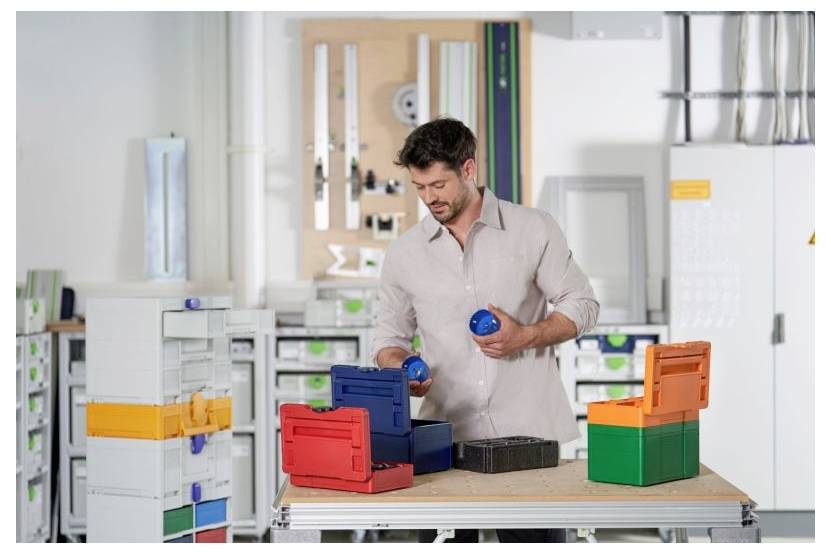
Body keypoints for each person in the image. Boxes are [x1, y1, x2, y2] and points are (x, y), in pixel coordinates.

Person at [370, 118, 599, 543]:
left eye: (438, 185)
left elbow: (583, 305)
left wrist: (524, 335)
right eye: (420, 187)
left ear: (469, 169)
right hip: (443, 441)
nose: (429, 198)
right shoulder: (405, 253)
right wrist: (400, 368)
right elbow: (388, 339)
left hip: (528, 435)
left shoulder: (533, 228)